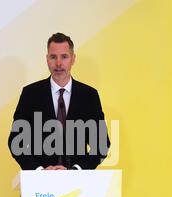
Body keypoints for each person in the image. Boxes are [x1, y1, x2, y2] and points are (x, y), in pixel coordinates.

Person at [8, 33, 110, 170]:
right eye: (53, 57)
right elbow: (15, 143)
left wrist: (75, 171)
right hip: (38, 184)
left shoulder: (89, 96)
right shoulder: (30, 94)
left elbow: (102, 145)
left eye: (64, 56)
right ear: (47, 59)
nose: (58, 63)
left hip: (78, 185)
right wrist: (39, 170)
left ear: (73, 59)